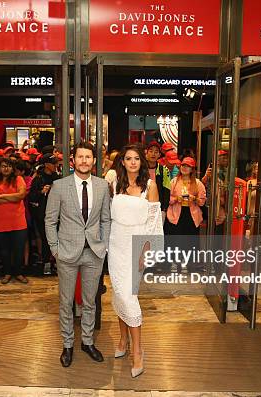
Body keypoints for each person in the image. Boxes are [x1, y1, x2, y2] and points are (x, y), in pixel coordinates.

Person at [45, 141, 111, 368]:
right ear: (73, 160)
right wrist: (55, 249)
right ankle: (68, 344)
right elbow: (50, 220)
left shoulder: (102, 186)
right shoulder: (59, 185)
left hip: (94, 252)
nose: (84, 161)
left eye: (88, 157)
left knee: (90, 301)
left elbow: (105, 219)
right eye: (80, 157)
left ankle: (87, 341)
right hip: (66, 253)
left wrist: (104, 246)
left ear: (94, 160)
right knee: (66, 302)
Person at [108, 144, 162, 378]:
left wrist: (146, 252)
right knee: (119, 293)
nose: (132, 162)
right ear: (122, 162)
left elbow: (153, 223)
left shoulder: (149, 186)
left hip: (136, 245)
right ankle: (122, 339)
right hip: (116, 243)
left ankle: (138, 350)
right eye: (128, 158)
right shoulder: (114, 184)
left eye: (136, 158)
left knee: (129, 296)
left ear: (141, 162)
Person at [0, 157, 29, 284]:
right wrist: (12, 198)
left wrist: (1, 196)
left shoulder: (18, 179)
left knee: (18, 249)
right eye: (4, 166)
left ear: (13, 168)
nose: (6, 168)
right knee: (4, 250)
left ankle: (18, 273)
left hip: (18, 221)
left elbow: (21, 195)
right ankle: (7, 272)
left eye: (9, 166)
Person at [165, 157, 207, 270]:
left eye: (188, 166)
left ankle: (192, 264)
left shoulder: (198, 183)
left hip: (191, 214)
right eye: (183, 165)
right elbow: (167, 198)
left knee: (191, 240)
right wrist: (176, 199)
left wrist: (194, 199)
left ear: (192, 169)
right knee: (177, 239)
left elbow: (202, 201)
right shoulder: (173, 181)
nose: (184, 168)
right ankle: (177, 263)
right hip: (177, 214)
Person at [28, 154, 60, 274]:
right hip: (43, 213)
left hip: (57, 213)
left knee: (57, 238)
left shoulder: (57, 177)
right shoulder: (39, 178)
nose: (56, 165)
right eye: (53, 163)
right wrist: (42, 191)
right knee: (46, 239)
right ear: (46, 164)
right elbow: (31, 197)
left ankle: (55, 262)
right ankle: (46, 262)